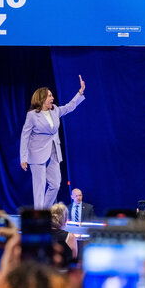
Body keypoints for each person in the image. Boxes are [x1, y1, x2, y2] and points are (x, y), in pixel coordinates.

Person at [20, 76, 86, 208]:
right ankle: (39, 216)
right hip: (37, 154)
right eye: (50, 96)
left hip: (54, 152)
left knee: (55, 185)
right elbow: (25, 136)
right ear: (42, 98)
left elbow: (69, 107)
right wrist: (23, 157)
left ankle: (44, 211)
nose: (52, 98)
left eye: (52, 95)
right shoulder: (32, 115)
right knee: (39, 188)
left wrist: (80, 93)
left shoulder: (54, 110)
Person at [49, 202, 77, 267]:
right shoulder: (70, 237)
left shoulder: (43, 235)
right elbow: (74, 262)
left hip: (45, 271)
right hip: (64, 272)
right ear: (65, 218)